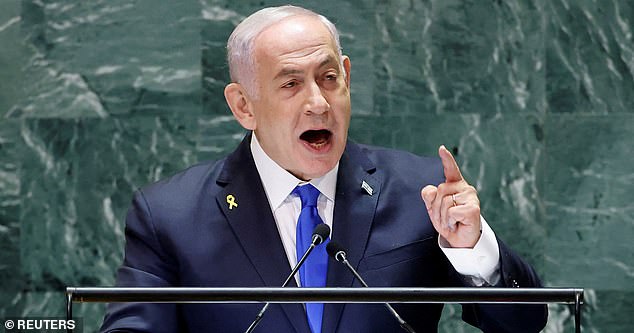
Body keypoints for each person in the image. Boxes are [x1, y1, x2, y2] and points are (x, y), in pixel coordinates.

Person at [101, 5, 547, 333]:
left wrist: (473, 248)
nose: (318, 102)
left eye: (328, 78)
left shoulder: (420, 191)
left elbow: (524, 323)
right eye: (291, 83)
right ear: (243, 105)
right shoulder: (169, 215)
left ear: (347, 78)